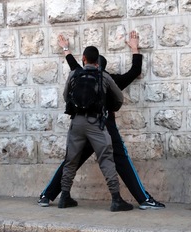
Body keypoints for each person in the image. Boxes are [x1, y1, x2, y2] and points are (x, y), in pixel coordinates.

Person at [38, 31, 165, 210]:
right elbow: (135, 72)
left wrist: (66, 49)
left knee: (70, 160)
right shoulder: (109, 78)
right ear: (101, 65)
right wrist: (135, 48)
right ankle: (143, 199)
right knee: (121, 160)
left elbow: (73, 66)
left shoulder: (79, 74)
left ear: (86, 61)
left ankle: (47, 195)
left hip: (80, 125)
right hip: (104, 127)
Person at [58, 45, 133, 211]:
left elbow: (65, 96)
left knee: (71, 159)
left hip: (76, 122)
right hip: (96, 123)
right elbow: (119, 98)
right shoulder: (103, 77)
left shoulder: (74, 74)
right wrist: (109, 108)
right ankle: (116, 199)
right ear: (97, 61)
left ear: (83, 58)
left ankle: (64, 197)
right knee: (106, 159)